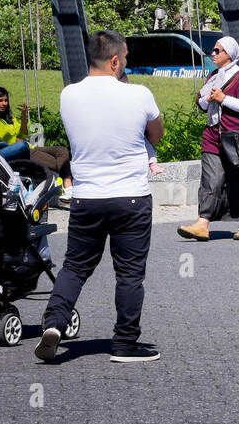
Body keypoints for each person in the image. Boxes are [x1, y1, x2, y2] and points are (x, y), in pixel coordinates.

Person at [36, 31, 163, 364]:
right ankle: (124, 344)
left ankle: (54, 324)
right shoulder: (140, 93)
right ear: (115, 60)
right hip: (131, 198)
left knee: (75, 267)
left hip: (86, 196)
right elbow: (156, 134)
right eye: (125, 60)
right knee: (130, 273)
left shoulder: (68, 94)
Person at [176, 37, 239, 242]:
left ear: (230, 54)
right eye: (213, 50)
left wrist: (223, 99)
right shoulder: (213, 76)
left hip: (237, 139)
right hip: (212, 135)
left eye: (218, 50)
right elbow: (201, 106)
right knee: (210, 180)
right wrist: (208, 99)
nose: (213, 53)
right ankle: (202, 224)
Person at [0, 86, 73, 189]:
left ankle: (66, 183)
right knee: (58, 163)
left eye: (6, 100)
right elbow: (12, 141)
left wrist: (23, 118)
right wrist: (19, 138)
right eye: (0, 100)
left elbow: (23, 135)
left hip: (28, 147)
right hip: (20, 152)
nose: (4, 103)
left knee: (61, 150)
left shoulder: (10, 117)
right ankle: (68, 187)